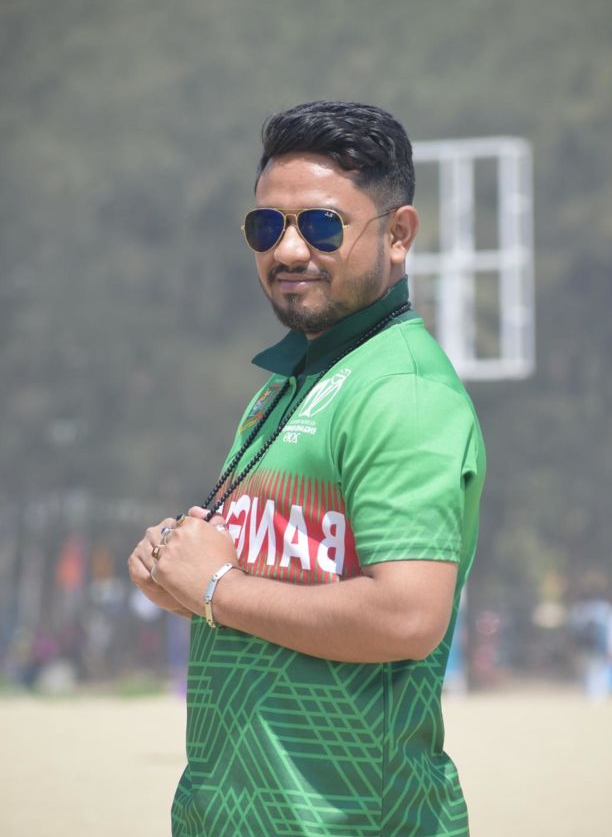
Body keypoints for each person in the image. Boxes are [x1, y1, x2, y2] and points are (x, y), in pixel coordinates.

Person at [128, 101, 486, 837]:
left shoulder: (402, 391)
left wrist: (217, 589)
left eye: (323, 225)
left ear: (398, 234)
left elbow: (407, 616)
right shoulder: (290, 382)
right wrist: (178, 566)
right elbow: (271, 573)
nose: (289, 250)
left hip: (350, 821)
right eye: (268, 226)